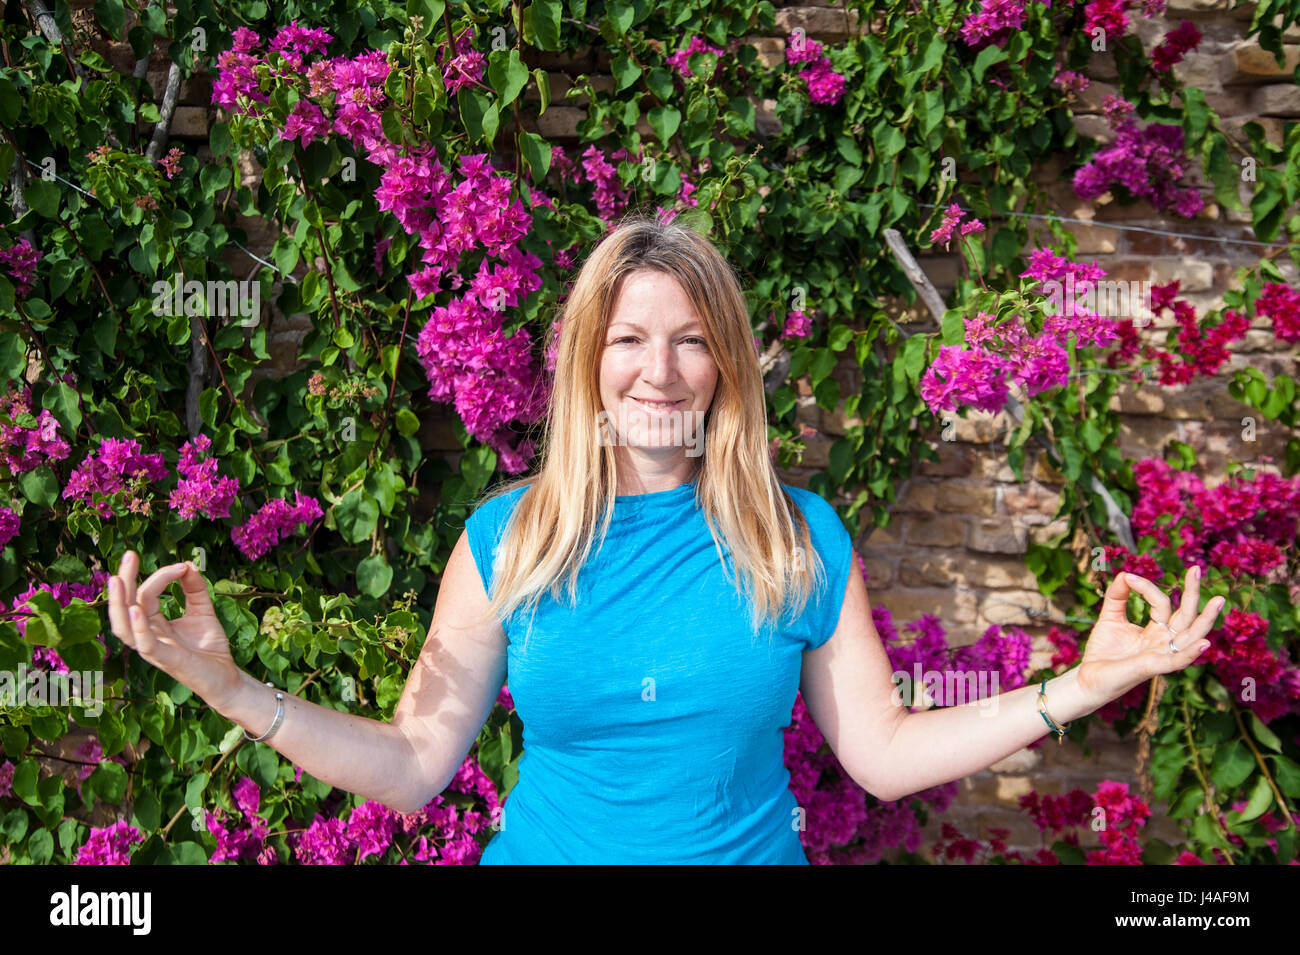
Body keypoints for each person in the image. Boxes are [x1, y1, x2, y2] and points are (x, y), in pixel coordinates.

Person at [107, 211, 1226, 864]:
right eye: (631, 337)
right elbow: (411, 765)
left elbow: (879, 757)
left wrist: (1076, 688)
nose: (659, 369)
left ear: (726, 365)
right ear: (588, 357)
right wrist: (231, 686)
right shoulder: (509, 536)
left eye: (692, 341)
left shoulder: (797, 539)